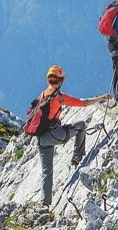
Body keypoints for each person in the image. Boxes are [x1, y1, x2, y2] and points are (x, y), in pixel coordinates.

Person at [37, 65, 110, 206]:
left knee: (47, 172)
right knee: (81, 125)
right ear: (61, 80)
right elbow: (82, 103)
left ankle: (45, 204)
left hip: (41, 138)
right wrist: (101, 98)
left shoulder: (42, 95)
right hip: (56, 135)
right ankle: (77, 158)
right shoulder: (58, 97)